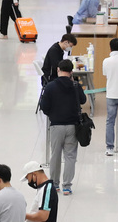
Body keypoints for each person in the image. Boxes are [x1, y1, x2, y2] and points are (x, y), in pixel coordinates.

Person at [39, 60, 85, 195]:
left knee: (55, 155)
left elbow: (44, 106)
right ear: (71, 71)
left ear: (58, 69)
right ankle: (67, 186)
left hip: (56, 125)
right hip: (73, 126)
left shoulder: (51, 86)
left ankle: (54, 184)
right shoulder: (75, 85)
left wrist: (52, 113)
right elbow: (82, 100)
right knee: (70, 156)